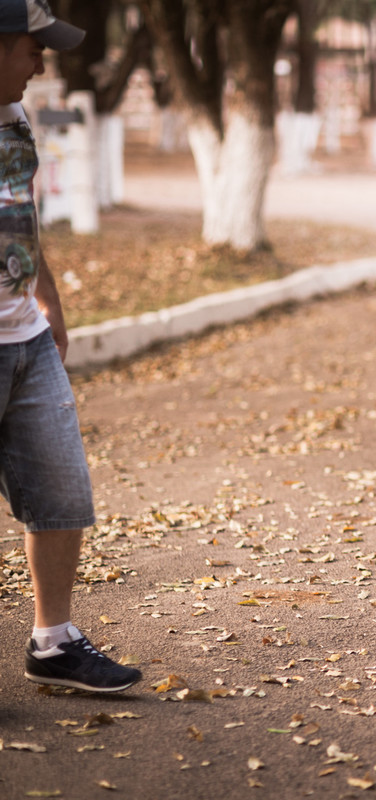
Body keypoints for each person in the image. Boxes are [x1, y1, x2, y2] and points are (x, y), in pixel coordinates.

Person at [0, 0, 141, 692]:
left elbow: (20, 215)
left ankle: (53, 642)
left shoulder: (14, 118)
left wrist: (47, 298)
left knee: (62, 494)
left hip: (25, 338)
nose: (42, 63)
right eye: (33, 48)